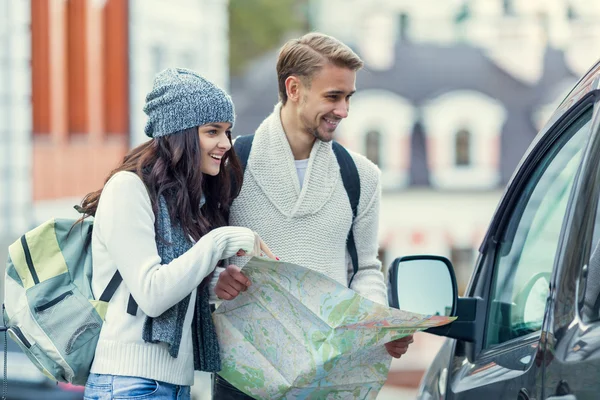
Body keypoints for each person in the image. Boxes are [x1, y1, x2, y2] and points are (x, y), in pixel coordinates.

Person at [211, 33, 413, 399]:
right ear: (293, 89)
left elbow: (366, 269)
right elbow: (198, 257)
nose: (344, 110)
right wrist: (215, 280)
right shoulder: (230, 164)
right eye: (333, 96)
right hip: (244, 380)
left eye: (348, 97)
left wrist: (381, 322)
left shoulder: (361, 176)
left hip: (328, 377)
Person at [80, 68, 273, 400]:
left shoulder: (182, 201)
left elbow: (175, 283)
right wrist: (223, 238)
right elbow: (152, 294)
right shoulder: (128, 188)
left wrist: (214, 285)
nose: (226, 144)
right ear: (178, 133)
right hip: (130, 383)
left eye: (227, 132)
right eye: (212, 131)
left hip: (173, 384)